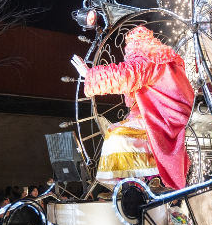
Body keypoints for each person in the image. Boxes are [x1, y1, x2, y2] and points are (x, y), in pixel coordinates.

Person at [71, 25, 194, 189]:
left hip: (165, 119)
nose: (128, 51)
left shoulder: (149, 58)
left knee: (117, 137)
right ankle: (139, 182)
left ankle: (141, 182)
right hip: (169, 115)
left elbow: (126, 75)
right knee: (117, 132)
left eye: (129, 45)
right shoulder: (164, 58)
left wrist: (89, 74)